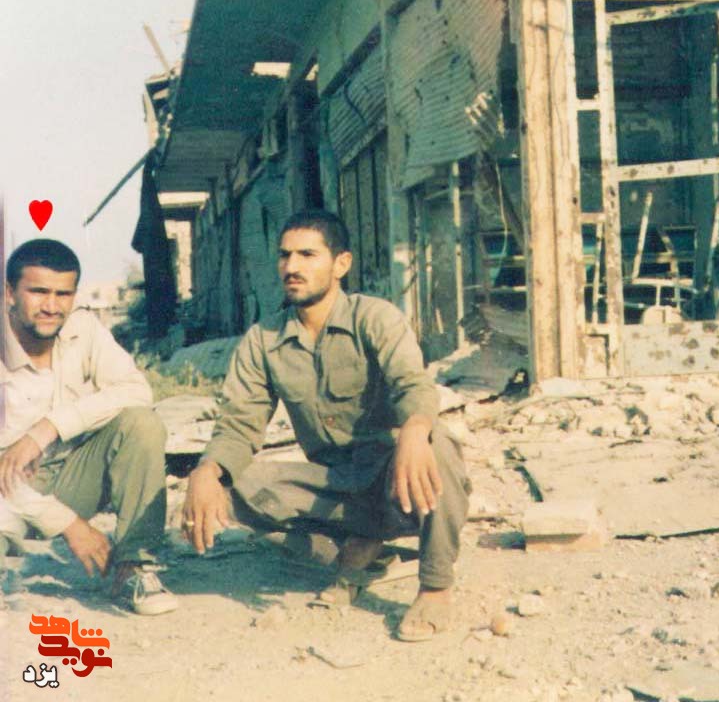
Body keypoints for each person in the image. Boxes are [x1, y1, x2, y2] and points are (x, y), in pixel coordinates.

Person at [181, 209, 469, 642]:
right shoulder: (263, 340)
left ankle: (435, 585)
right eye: (285, 255)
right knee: (230, 489)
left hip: (396, 482)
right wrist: (207, 470)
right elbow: (239, 424)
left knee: (437, 444)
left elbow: (413, 384)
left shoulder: (375, 317)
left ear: (341, 264)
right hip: (335, 487)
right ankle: (362, 545)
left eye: (307, 255)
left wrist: (414, 430)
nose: (291, 266)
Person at [0, 239, 177, 615]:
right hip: (7, 495)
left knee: (140, 423)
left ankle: (134, 567)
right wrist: (68, 524)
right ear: (10, 293)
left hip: (71, 475)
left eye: (63, 294)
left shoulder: (82, 329)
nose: (52, 306)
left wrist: (48, 427)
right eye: (38, 292)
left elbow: (136, 390)